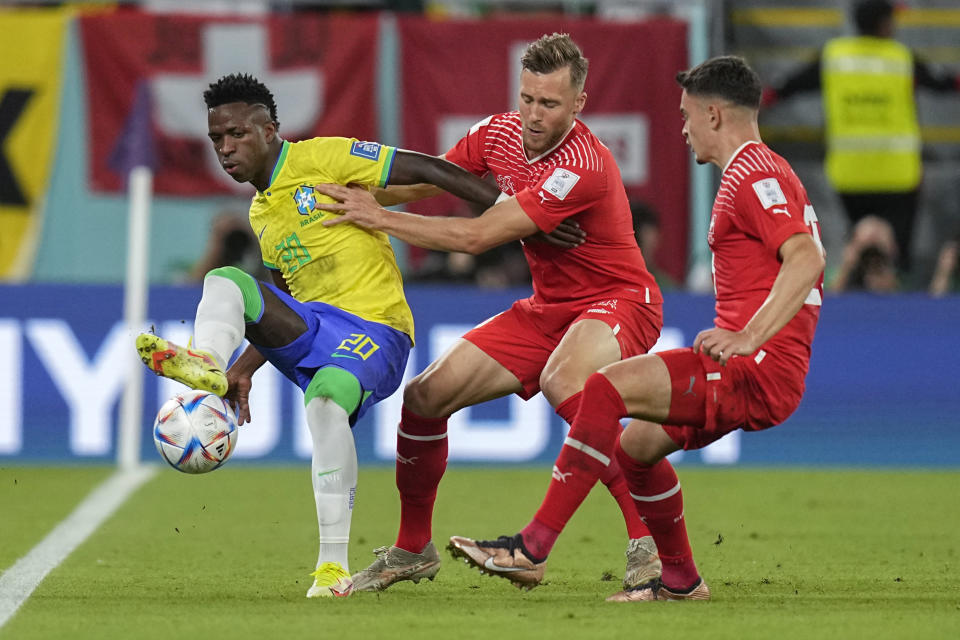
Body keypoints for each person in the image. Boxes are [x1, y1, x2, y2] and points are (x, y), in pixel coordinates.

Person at [134, 72, 537, 599]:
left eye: (236, 134)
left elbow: (431, 170)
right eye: (216, 140)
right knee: (227, 281)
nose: (225, 149)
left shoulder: (323, 156)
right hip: (315, 328)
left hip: (376, 331)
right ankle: (208, 363)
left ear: (270, 129)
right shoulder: (262, 213)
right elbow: (282, 305)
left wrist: (513, 210)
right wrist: (241, 371)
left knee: (324, 404)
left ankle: (331, 568)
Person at [443, 55, 826, 602]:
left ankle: (531, 548)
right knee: (633, 451)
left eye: (688, 115)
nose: (684, 127)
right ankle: (680, 581)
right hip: (753, 371)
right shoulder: (766, 170)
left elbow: (806, 258)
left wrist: (749, 337)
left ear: (715, 115)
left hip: (750, 371)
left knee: (602, 389)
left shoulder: (752, 172)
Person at [314, 32, 664, 597]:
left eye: (548, 104)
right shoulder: (499, 132)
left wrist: (378, 220)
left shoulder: (583, 165)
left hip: (618, 300)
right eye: (526, 98)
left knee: (567, 382)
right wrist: (343, 196)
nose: (532, 114)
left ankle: (646, 547)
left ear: (578, 103)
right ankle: (411, 549)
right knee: (425, 398)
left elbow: (478, 237)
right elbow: (429, 179)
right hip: (547, 309)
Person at [763, 0, 960, 272]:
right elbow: (943, 83)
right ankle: (899, 299)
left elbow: (790, 85)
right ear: (882, 23)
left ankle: (854, 296)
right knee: (896, 253)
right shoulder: (900, 58)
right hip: (898, 177)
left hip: (849, 176)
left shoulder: (834, 56)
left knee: (859, 249)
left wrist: (762, 100)